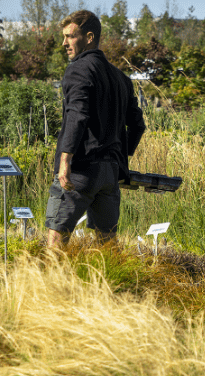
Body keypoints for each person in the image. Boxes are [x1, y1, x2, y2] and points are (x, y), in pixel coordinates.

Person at [46, 10, 146, 248]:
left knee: (56, 238)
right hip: (110, 173)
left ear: (89, 37)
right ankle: (112, 284)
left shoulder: (79, 69)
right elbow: (138, 125)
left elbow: (77, 115)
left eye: (70, 36)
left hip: (80, 170)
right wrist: (120, 156)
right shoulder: (121, 78)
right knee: (107, 245)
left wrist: (65, 160)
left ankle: (50, 285)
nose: (64, 43)